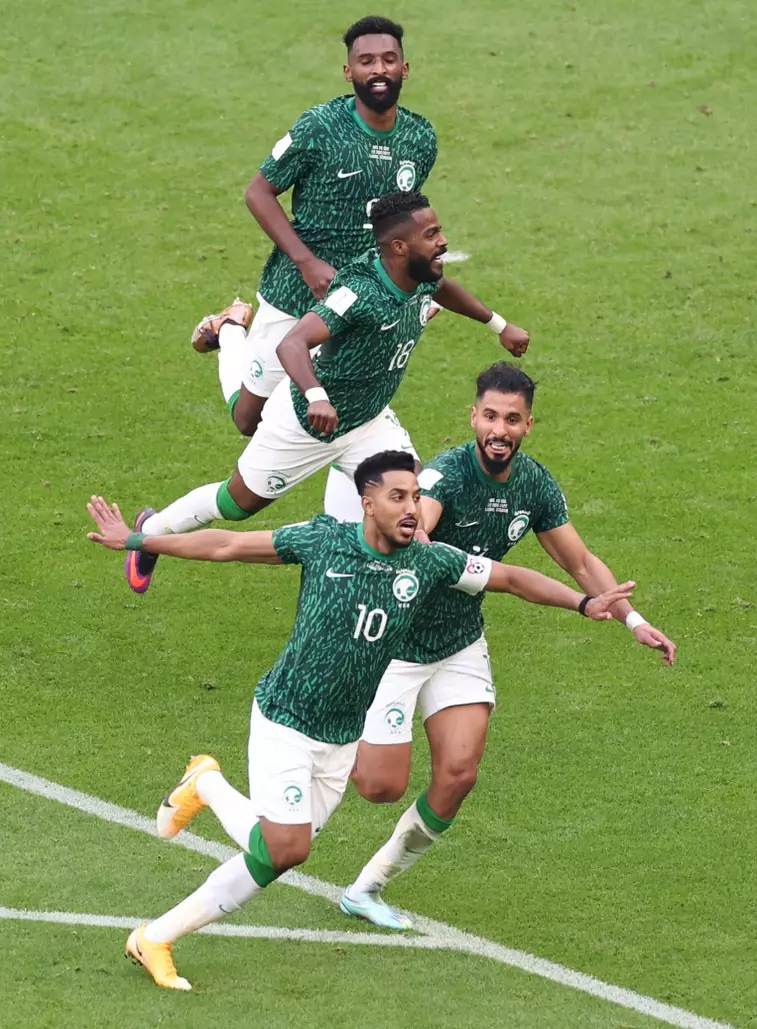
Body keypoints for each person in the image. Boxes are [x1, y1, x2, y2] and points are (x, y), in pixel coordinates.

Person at [85, 450, 638, 990]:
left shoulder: (430, 561)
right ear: (366, 502)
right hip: (286, 718)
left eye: (417, 497)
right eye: (398, 496)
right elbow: (226, 544)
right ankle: (161, 922)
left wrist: (585, 605)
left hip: (342, 736)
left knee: (276, 853)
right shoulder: (322, 540)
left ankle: (197, 803)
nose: (412, 508)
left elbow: (513, 578)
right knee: (287, 849)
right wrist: (137, 539)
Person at [338, 363, 677, 929]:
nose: (499, 429)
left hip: (458, 642)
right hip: (396, 643)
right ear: (473, 416)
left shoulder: (534, 485)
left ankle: (367, 889)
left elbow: (581, 562)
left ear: (528, 426)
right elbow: (420, 523)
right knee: (379, 786)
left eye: (512, 420)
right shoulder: (446, 474)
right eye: (490, 416)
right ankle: (333, 732)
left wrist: (632, 619)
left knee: (460, 774)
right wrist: (436, 549)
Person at [187, 15, 528, 519]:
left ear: (405, 68)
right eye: (366, 61)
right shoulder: (319, 128)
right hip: (297, 291)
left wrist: (405, 292)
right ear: (348, 71)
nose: (379, 69)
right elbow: (258, 192)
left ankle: (341, 513)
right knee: (247, 419)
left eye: (388, 59)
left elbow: (404, 229)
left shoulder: (420, 138)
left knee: (342, 396)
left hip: (363, 300)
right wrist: (306, 262)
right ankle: (231, 328)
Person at [125, 191, 517, 594]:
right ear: (400, 247)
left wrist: (499, 326)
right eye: (432, 233)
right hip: (306, 424)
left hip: (368, 422)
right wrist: (316, 397)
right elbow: (292, 344)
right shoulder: (359, 293)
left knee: (412, 503)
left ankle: (404, 606)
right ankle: (149, 531)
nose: (443, 242)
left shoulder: (420, 274)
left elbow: (442, 288)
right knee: (236, 504)